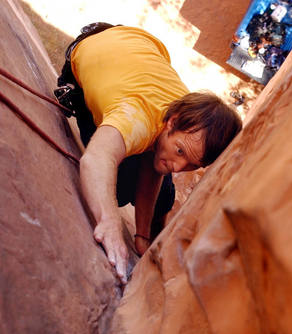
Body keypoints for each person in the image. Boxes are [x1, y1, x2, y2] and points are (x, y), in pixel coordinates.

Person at [56, 23, 242, 283]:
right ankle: (76, 93)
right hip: (90, 48)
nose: (178, 167)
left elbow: (156, 165)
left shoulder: (188, 119)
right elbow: (97, 159)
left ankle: (151, 240)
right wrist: (109, 223)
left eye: (191, 164)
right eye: (180, 151)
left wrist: (141, 236)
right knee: (119, 188)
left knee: (164, 191)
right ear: (172, 121)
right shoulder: (136, 116)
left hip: (136, 44)